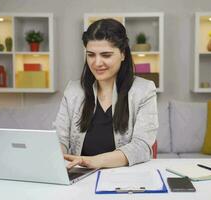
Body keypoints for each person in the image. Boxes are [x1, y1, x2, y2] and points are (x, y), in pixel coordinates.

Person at [55, 18, 158, 169]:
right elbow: (60, 139)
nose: (96, 63)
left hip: (125, 180)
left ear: (123, 54)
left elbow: (142, 146)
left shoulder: (144, 90)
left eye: (106, 55)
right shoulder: (73, 90)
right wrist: (56, 155)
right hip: (80, 178)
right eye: (91, 55)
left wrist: (93, 161)